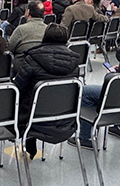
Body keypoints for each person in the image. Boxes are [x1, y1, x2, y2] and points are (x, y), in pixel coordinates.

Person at [14, 23, 79, 158]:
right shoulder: (75, 64)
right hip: (65, 120)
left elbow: (18, 89)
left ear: (45, 37)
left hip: (32, 119)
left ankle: (28, 142)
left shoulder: (32, 59)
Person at [68, 42, 120, 149]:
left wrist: (111, 74)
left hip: (118, 94)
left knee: (84, 92)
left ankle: (85, 137)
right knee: (93, 95)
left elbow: (116, 83)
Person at [9, 0, 47, 75]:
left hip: (22, 69)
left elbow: (10, 48)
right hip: (43, 67)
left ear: (27, 12)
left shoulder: (20, 29)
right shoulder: (48, 29)